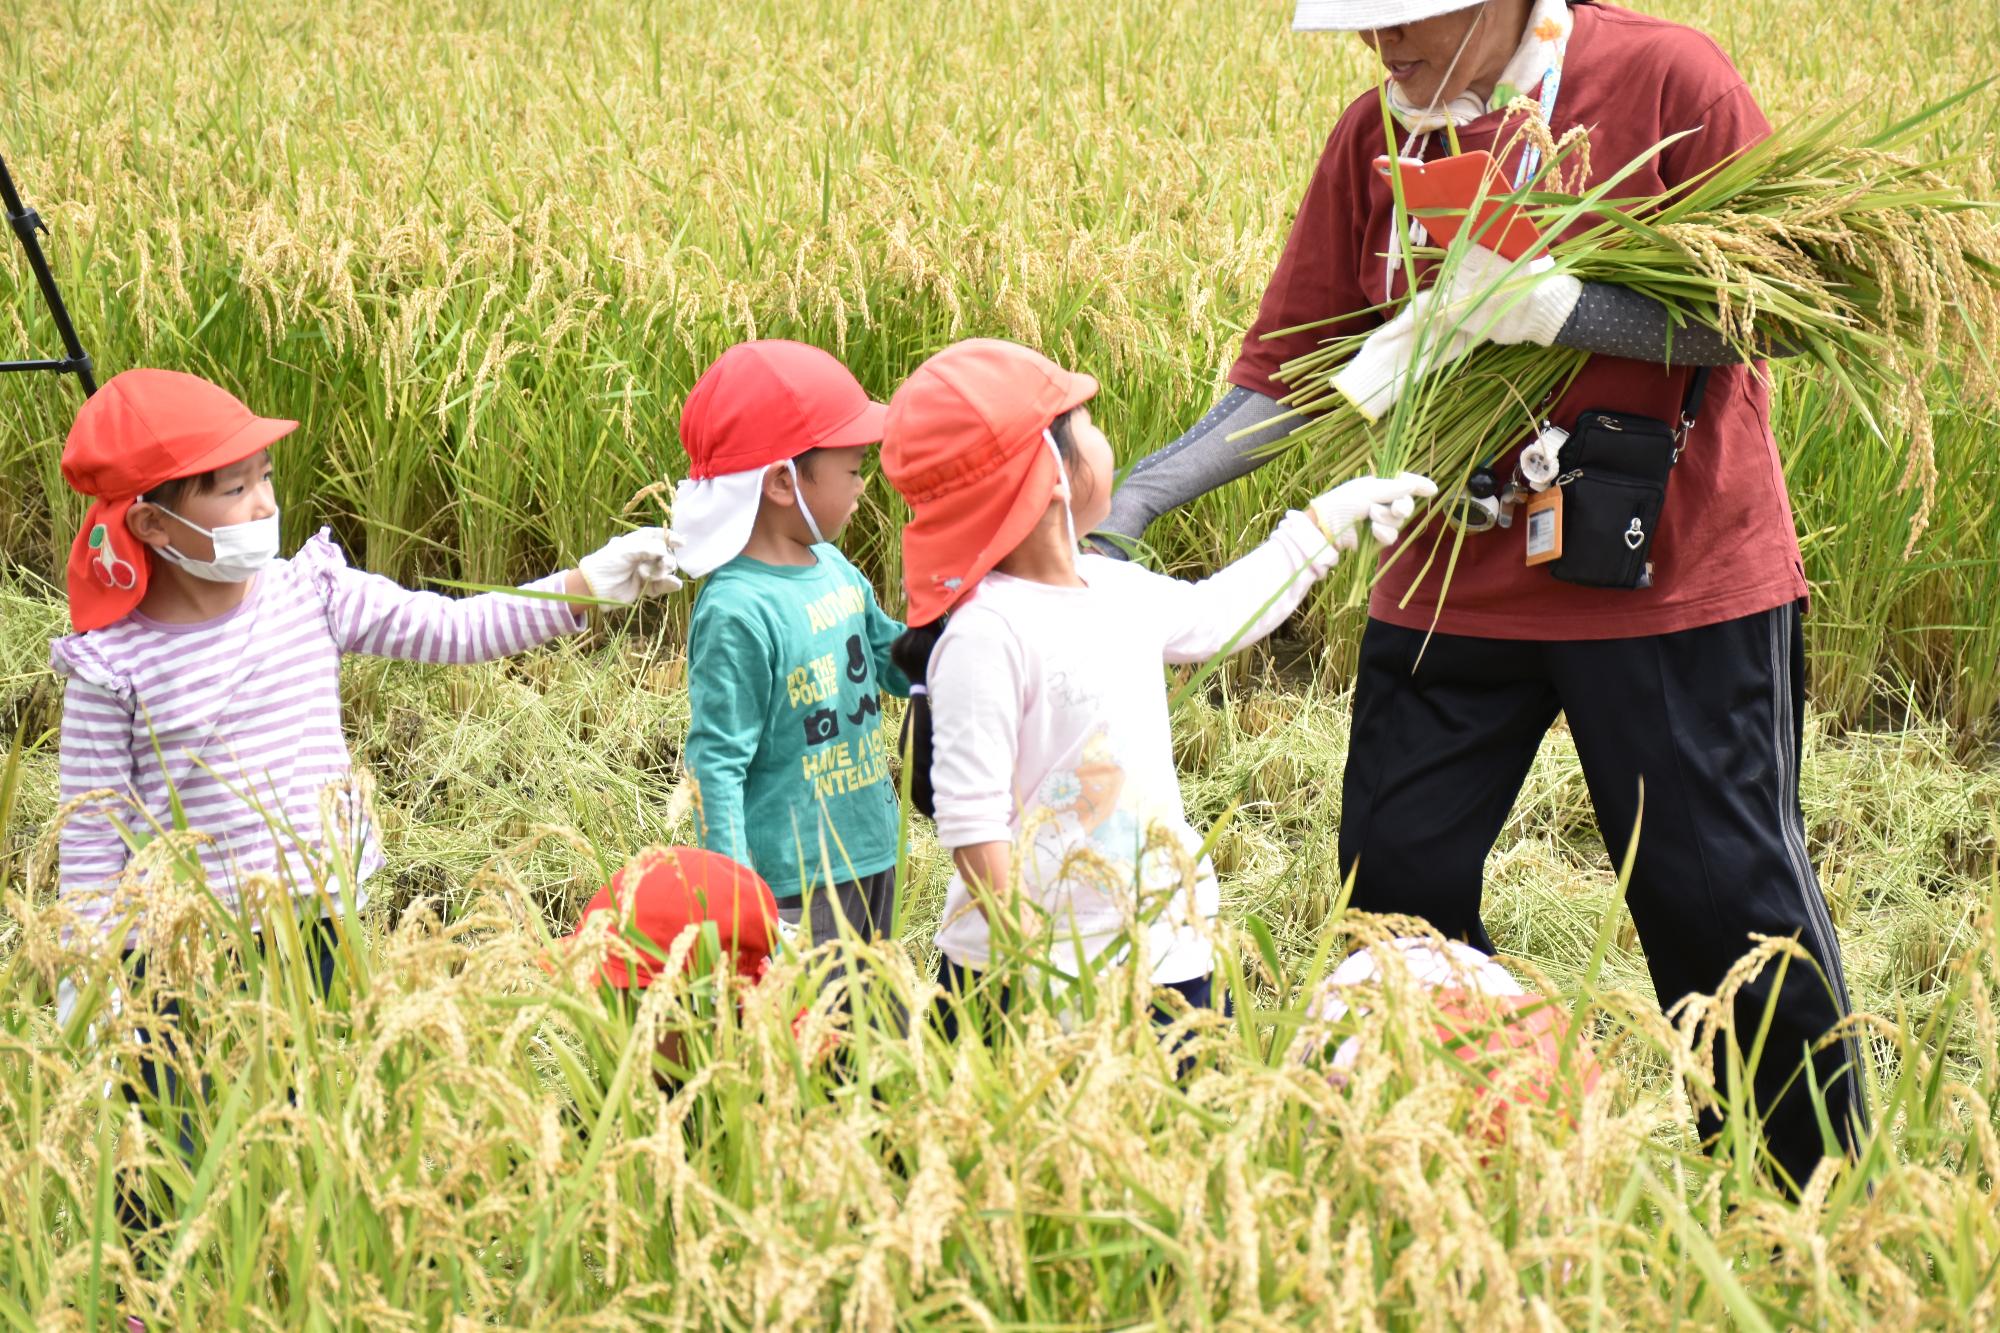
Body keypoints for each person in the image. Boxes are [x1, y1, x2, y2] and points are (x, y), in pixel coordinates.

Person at [1091, 0, 1865, 1188]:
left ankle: (1807, 1210)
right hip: (1445, 573)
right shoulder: (1373, 142)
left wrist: (1566, 310)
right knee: (1392, 890)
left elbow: (1777, 307)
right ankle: (1448, 1177)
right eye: (1367, 25)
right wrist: (1127, 507)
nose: (1378, 45)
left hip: (1670, 585)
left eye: (1409, 19)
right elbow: (1284, 374)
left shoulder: (1663, 81)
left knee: (1718, 908)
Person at [49, 367, 681, 1304]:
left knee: (322, 1139)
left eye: (265, 474)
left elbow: (456, 627)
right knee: (174, 1173)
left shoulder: (308, 593)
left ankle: (308, 1292)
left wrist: (584, 585)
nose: (265, 499)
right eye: (235, 487)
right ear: (151, 523)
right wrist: (88, 991)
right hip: (183, 964)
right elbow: (92, 840)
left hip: (320, 937)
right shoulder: (112, 667)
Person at [879, 338, 1432, 1035]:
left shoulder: (1115, 587)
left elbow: (1219, 615)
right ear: (1047, 469)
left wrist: (1321, 525)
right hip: (1028, 977)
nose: (1105, 440)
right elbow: (971, 820)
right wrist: (1035, 959)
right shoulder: (988, 632)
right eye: (1089, 423)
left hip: (1162, 950)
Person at [673, 341, 910, 948]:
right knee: (810, 1034)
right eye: (855, 469)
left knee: (869, 1025)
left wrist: (959, 636)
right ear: (784, 482)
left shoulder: (833, 567)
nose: (864, 486)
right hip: (796, 888)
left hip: (870, 853)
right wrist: (737, 892)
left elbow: (891, 660)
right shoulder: (737, 610)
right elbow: (716, 763)